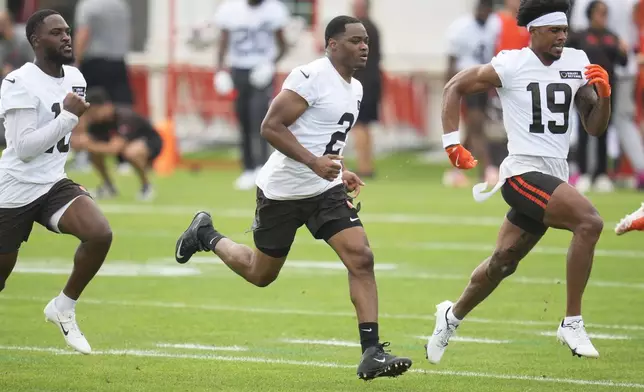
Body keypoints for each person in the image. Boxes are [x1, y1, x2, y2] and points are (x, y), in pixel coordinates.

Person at [174, 15, 412, 380]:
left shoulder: (357, 88)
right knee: (260, 274)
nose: (363, 46)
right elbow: (270, 126)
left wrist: (337, 167)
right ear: (332, 44)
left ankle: (372, 352)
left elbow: (325, 137)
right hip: (282, 192)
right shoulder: (311, 76)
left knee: (361, 257)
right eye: (354, 40)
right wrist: (313, 162)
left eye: (365, 40)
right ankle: (205, 234)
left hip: (324, 191)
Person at [426, 0, 611, 363]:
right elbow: (454, 86)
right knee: (590, 222)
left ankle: (451, 316)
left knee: (503, 262)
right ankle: (571, 321)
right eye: (554, 30)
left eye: (564, 30)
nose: (561, 37)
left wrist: (604, 97)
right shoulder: (511, 63)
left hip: (554, 175)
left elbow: (595, 126)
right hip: (523, 173)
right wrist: (451, 144)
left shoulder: (576, 61)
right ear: (534, 31)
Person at [0, 9, 113, 354]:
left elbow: (57, 142)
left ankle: (63, 307)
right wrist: (67, 117)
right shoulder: (18, 82)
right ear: (36, 40)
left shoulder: (75, 77)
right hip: (15, 187)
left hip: (52, 183)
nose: (66, 37)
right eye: (56, 32)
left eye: (67, 31)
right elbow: (23, 149)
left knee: (99, 233)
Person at [212, 0, 290, 190]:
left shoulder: (274, 9)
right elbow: (223, 42)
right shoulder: (230, 9)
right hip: (238, 69)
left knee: (261, 120)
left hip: (262, 69)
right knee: (243, 120)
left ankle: (262, 166)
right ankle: (247, 168)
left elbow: (283, 46)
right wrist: (220, 70)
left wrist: (270, 64)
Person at [567, 0, 627, 193]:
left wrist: (623, 49)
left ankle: (601, 173)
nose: (603, 17)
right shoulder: (580, 36)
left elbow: (623, 61)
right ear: (591, 14)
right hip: (585, 88)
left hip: (607, 89)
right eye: (600, 12)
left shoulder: (612, 37)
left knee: (604, 129)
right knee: (584, 128)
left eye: (605, 13)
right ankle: (584, 172)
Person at [442, 0, 501, 188]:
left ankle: (456, 169)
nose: (484, 13)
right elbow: (451, 60)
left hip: (485, 81)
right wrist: (451, 89)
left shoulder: (495, 24)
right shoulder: (460, 28)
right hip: (466, 80)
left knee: (473, 127)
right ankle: (487, 169)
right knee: (477, 126)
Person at [72, 87, 162, 200]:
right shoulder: (96, 122)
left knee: (131, 152)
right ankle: (108, 186)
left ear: (106, 106)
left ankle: (146, 186)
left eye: (94, 111)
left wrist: (86, 144)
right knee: (94, 152)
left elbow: (115, 148)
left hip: (149, 142)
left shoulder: (124, 116)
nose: (92, 115)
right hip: (123, 146)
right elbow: (86, 142)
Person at [351, 0, 382, 178]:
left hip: (363, 83)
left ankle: (364, 167)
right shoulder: (374, 27)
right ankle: (367, 165)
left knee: (359, 124)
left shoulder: (362, 30)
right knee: (366, 125)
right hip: (373, 81)